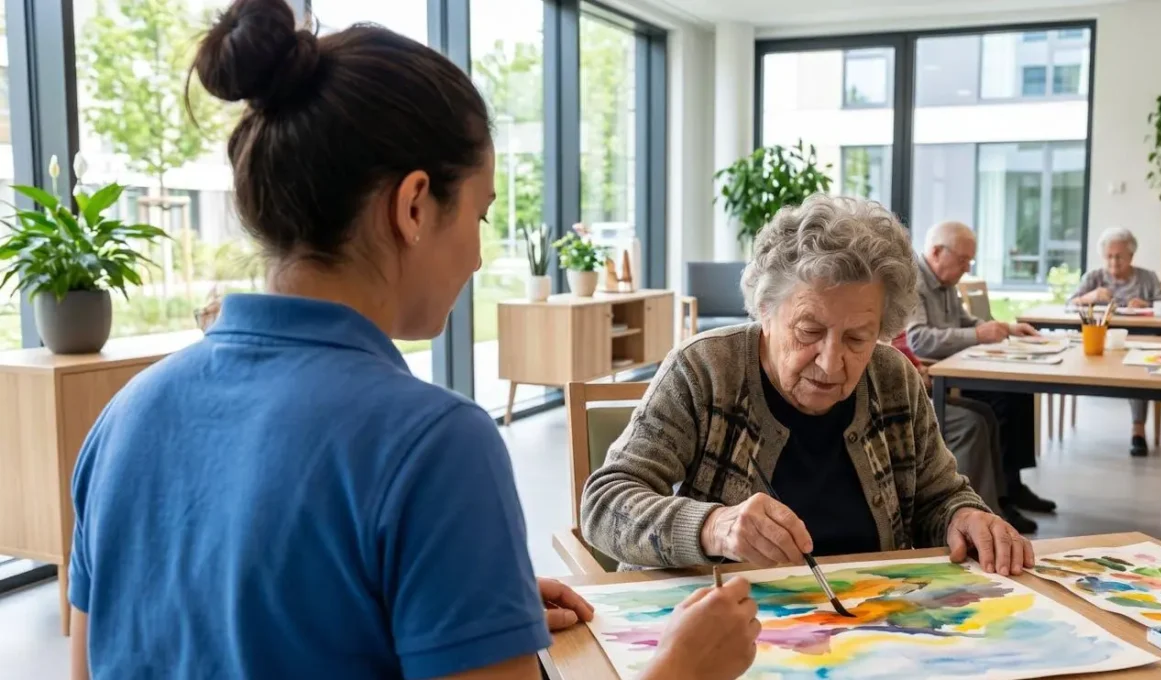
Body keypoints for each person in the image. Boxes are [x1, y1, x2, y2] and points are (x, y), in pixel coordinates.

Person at [67, 2, 760, 679]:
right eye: (481, 216)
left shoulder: (124, 418)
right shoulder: (435, 445)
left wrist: (473, 605)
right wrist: (682, 669)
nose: (480, 259)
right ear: (414, 205)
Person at [580, 195, 1034, 577]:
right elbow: (604, 505)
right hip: (722, 631)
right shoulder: (705, 370)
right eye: (809, 330)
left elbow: (940, 496)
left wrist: (965, 516)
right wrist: (713, 526)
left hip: (872, 628)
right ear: (764, 310)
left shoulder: (894, 378)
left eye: (857, 338)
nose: (831, 361)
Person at [905, 221, 1058, 521]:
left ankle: (1010, 488)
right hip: (934, 375)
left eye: (969, 261)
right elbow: (919, 340)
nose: (966, 268)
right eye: (963, 260)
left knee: (1017, 394)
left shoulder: (945, 283)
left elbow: (965, 321)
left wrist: (1005, 328)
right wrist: (978, 336)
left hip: (954, 368)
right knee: (996, 403)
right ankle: (991, 504)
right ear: (936, 252)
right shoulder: (914, 282)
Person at [1069, 226, 1161, 456]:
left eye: (1119, 257)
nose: (1114, 262)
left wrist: (1148, 305)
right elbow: (1069, 303)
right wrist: (1089, 297)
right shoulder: (1094, 277)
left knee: (1138, 370)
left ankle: (1138, 430)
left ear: (1131, 256)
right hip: (1097, 341)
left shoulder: (1147, 278)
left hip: (1137, 343)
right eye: (1109, 257)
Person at [890, 331, 1009, 524]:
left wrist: (918, 365)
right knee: (970, 423)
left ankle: (999, 503)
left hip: (922, 373)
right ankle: (980, 511)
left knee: (986, 412)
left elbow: (903, 343)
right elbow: (915, 340)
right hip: (914, 384)